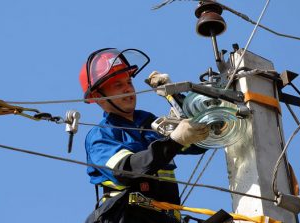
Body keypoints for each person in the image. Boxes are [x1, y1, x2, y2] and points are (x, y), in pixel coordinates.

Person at [79, 48, 210, 223]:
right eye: (118, 85)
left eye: (129, 82)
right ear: (98, 96)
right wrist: (174, 142)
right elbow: (127, 170)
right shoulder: (101, 136)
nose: (127, 89)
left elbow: (199, 142)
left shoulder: (147, 122)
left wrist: (175, 97)